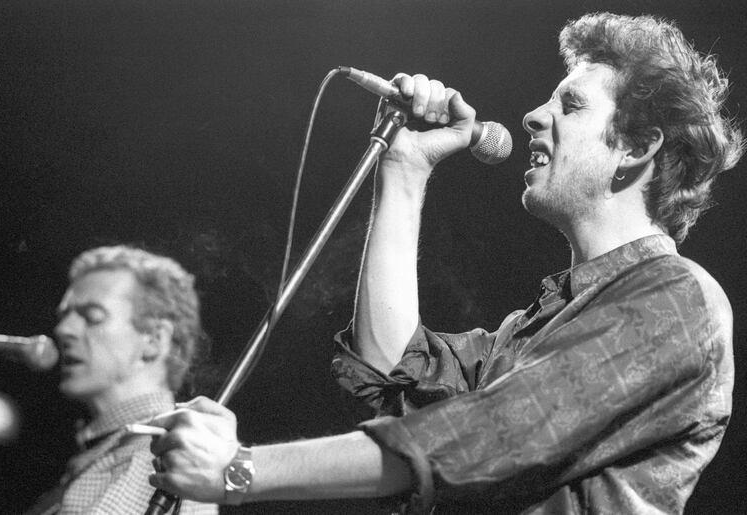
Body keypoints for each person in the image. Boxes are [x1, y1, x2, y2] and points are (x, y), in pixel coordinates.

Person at [145, 12, 743, 514]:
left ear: (637, 149)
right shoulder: (530, 329)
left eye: (572, 104)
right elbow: (393, 372)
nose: (535, 114)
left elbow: (480, 436)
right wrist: (404, 172)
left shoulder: (679, 301)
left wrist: (240, 470)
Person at [25, 246, 218, 514]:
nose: (63, 330)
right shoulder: (117, 452)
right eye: (64, 316)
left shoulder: (152, 460)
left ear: (153, 340)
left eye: (92, 317)